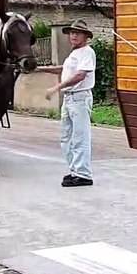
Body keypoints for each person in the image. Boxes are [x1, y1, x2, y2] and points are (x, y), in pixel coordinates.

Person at [43, 19, 96, 187]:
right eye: (71, 33)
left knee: (80, 137)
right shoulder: (74, 54)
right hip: (69, 98)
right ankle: (75, 170)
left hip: (79, 97)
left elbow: (80, 75)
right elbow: (64, 70)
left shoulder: (87, 52)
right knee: (66, 138)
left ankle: (83, 174)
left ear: (85, 36)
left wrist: (56, 87)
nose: (73, 35)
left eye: (77, 33)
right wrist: (40, 68)